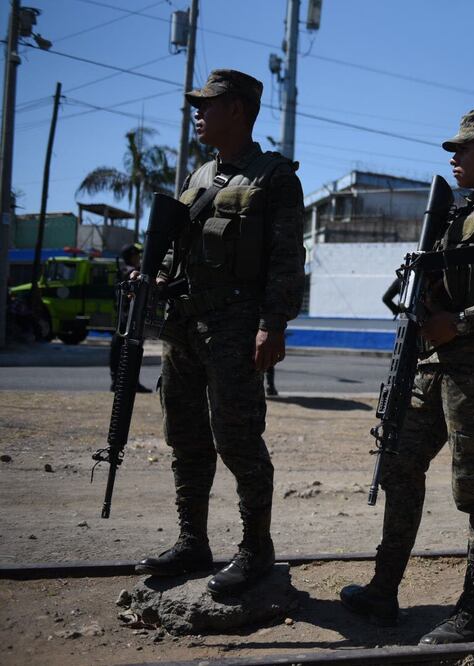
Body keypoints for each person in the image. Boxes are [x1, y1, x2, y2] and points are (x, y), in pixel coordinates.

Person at [339, 109, 474, 645]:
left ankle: (471, 613)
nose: (453, 157)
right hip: (433, 364)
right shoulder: (460, 212)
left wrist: (459, 322)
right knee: (399, 466)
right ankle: (383, 590)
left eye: (465, 147)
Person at [134, 70, 305, 597]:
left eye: (207, 105)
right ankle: (193, 541)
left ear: (238, 109)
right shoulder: (199, 175)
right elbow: (177, 245)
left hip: (235, 327)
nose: (197, 113)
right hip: (184, 324)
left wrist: (272, 325)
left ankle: (256, 550)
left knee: (237, 438)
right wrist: (156, 273)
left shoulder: (274, 178)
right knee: (185, 435)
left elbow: (286, 260)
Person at [110, 243, 152, 393]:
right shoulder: (132, 273)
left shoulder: (122, 270)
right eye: (136, 255)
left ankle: (118, 382)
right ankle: (130, 383)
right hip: (130, 319)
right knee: (131, 352)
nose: (139, 258)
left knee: (119, 351)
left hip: (122, 319)